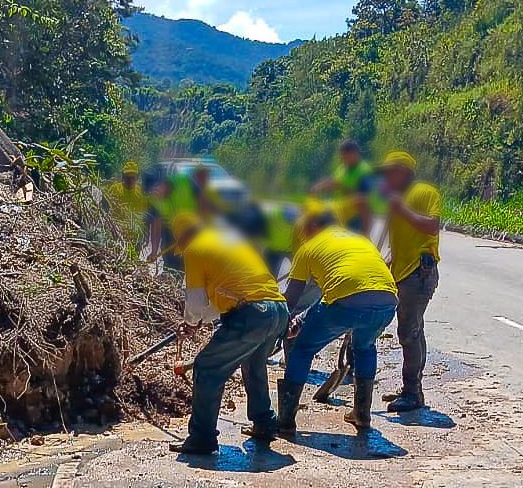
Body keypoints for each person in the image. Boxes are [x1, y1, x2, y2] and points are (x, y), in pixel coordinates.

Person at [167, 213, 289, 454]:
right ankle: (264, 422)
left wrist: (190, 322)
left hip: (253, 313)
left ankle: (202, 438)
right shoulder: (230, 241)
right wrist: (199, 321)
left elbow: (195, 300)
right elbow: (223, 297)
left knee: (207, 367)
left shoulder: (195, 249)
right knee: (254, 364)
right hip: (277, 310)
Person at [276, 209, 398, 436]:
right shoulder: (360, 241)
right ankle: (362, 414)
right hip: (387, 303)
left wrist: (275, 326)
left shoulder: (309, 248)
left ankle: (285, 421)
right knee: (364, 347)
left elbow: (290, 300)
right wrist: (302, 320)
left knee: (302, 349)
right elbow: (331, 296)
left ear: (313, 227)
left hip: (347, 304)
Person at [377, 151, 441, 412]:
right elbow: (397, 241)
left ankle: (413, 393)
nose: (386, 178)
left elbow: (432, 226)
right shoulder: (395, 199)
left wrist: (401, 210)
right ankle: (412, 389)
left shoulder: (425, 192)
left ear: (404, 171)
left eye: (390, 172)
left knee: (408, 332)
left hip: (419, 273)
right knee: (414, 330)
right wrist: (386, 261)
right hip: (403, 272)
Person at [311, 140, 374, 236]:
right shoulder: (342, 169)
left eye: (345, 156)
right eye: (341, 156)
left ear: (354, 154)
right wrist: (320, 186)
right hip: (339, 216)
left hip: (355, 219)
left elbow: (365, 199)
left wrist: (341, 188)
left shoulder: (364, 172)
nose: (342, 159)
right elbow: (334, 181)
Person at [106, 161, 149, 244]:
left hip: (135, 234)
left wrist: (145, 234)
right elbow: (105, 209)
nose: (130, 180)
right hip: (117, 232)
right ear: (123, 176)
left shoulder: (141, 192)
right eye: (127, 177)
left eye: (133, 177)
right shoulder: (114, 189)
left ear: (137, 177)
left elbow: (145, 216)